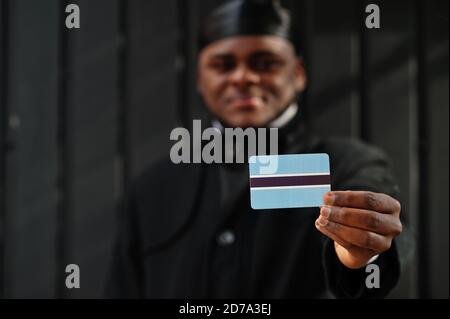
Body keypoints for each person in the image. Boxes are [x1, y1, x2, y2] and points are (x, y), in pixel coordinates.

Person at [106, 0, 403, 298]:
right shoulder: (153, 189)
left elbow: (377, 251)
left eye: (265, 63)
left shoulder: (346, 166)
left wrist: (361, 251)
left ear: (298, 73)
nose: (243, 77)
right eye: (223, 65)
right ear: (200, 78)